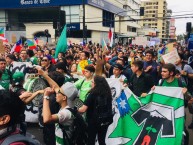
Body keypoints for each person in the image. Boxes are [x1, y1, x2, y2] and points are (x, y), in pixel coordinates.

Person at [37, 67, 78, 145]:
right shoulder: (73, 104)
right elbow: (56, 87)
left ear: (64, 97)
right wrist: (44, 74)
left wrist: (46, 96)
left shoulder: (66, 113)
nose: (57, 93)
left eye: (59, 93)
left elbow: (46, 119)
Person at [78, 75, 113, 145]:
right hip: (105, 120)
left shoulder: (92, 94)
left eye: (93, 82)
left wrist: (75, 108)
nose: (91, 83)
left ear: (97, 84)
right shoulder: (108, 93)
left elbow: (83, 109)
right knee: (102, 140)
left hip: (93, 121)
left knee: (91, 140)